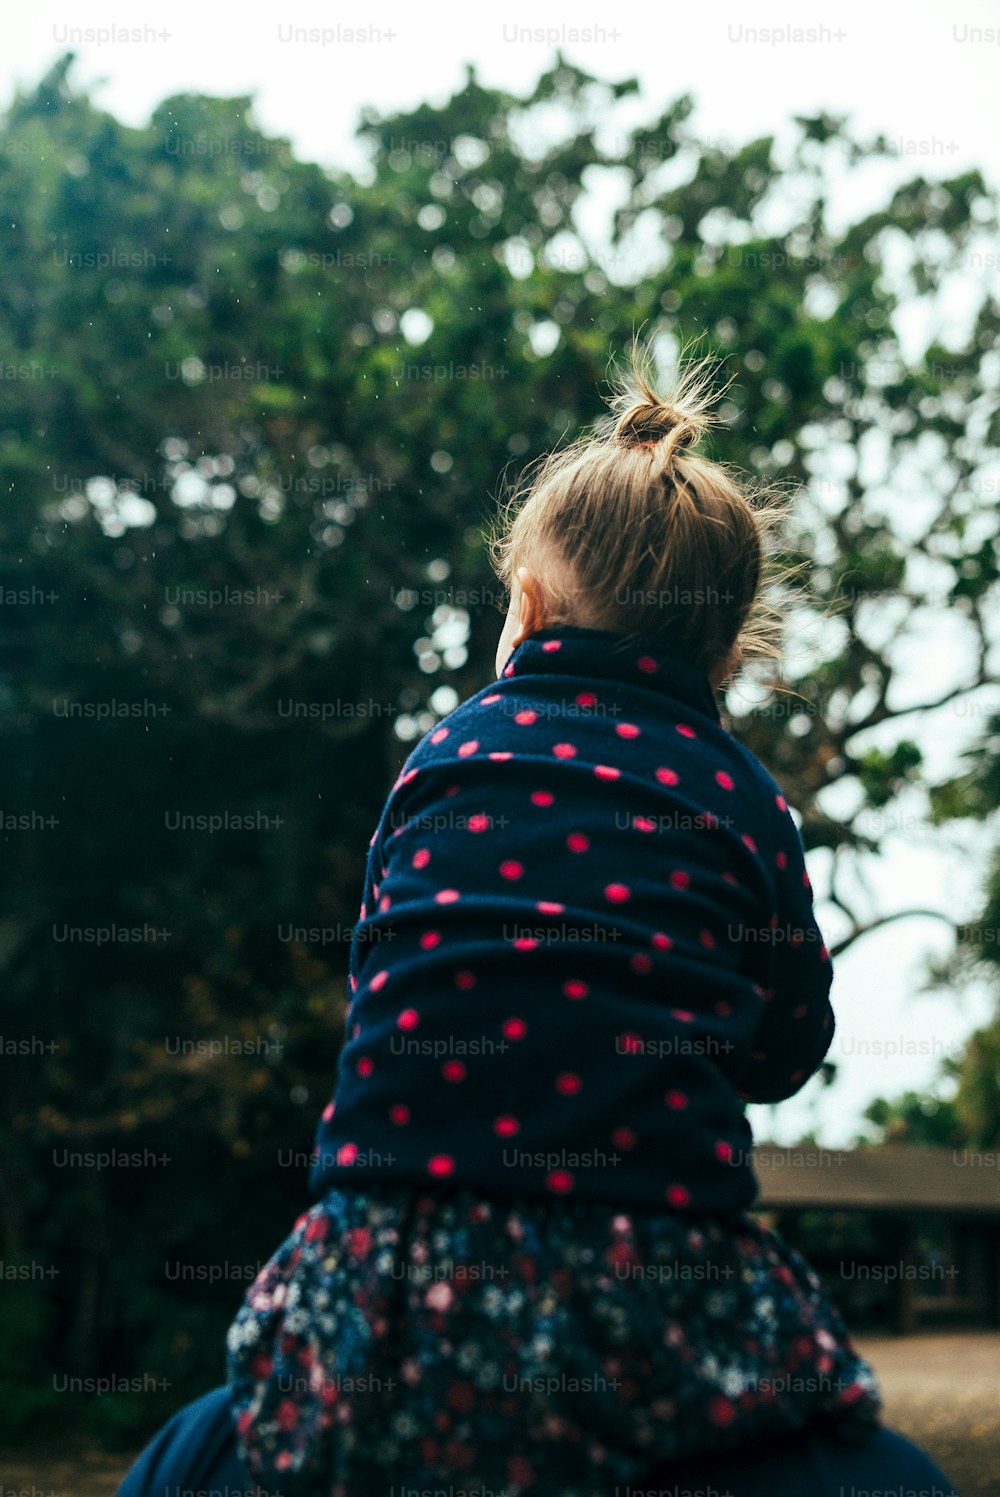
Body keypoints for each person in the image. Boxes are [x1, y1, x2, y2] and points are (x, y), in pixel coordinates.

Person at [120, 340, 960, 1497]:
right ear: (725, 653)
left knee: (191, 1458)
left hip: (383, 1279)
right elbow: (783, 1053)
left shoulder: (442, 760)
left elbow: (395, 976)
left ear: (522, 606)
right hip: (656, 1288)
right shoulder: (741, 795)